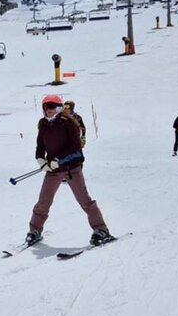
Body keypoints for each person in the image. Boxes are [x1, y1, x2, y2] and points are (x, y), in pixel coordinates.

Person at [26, 95, 113, 246]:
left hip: (71, 168)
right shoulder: (43, 125)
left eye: (52, 106)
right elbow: (40, 146)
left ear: (59, 107)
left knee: (84, 200)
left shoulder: (69, 123)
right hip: (53, 170)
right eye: (46, 107)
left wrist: (57, 160)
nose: (48, 110)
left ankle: (101, 229)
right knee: (43, 202)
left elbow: (75, 148)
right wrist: (41, 160)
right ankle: (35, 230)